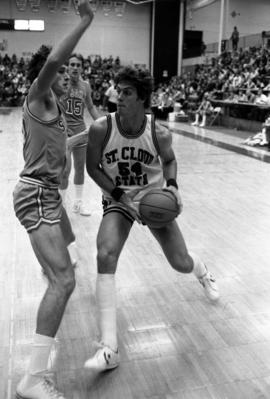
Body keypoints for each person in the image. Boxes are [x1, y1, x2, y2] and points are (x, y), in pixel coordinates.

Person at [84, 66, 220, 372]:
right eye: (118, 90)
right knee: (105, 255)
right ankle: (109, 347)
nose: (119, 96)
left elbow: (170, 160)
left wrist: (172, 187)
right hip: (119, 198)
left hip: (152, 200)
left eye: (127, 92)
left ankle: (202, 271)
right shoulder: (101, 128)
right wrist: (121, 197)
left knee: (180, 262)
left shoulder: (158, 132)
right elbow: (93, 168)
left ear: (142, 98)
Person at [12, 2, 94, 398]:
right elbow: (53, 60)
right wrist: (85, 20)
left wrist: (97, 134)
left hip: (44, 197)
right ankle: (32, 378)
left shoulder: (58, 111)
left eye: (66, 72)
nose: (64, 74)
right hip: (37, 196)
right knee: (65, 280)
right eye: (60, 70)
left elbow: (68, 143)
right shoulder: (39, 97)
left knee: (58, 276)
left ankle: (34, 373)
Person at [59, 53, 100, 216]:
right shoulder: (61, 82)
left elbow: (90, 107)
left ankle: (78, 203)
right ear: (68, 67)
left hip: (81, 131)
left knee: (80, 168)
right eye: (72, 64)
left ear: (82, 68)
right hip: (64, 132)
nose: (75, 67)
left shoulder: (86, 86)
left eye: (78, 65)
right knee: (64, 171)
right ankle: (60, 204)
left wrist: (101, 123)